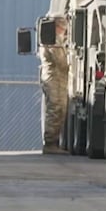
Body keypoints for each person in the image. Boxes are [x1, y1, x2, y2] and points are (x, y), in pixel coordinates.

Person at [40, 16, 69, 154]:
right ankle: (50, 143)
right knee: (55, 109)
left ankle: (53, 142)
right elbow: (61, 62)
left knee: (59, 110)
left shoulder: (52, 39)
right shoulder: (53, 41)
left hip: (56, 78)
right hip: (54, 79)